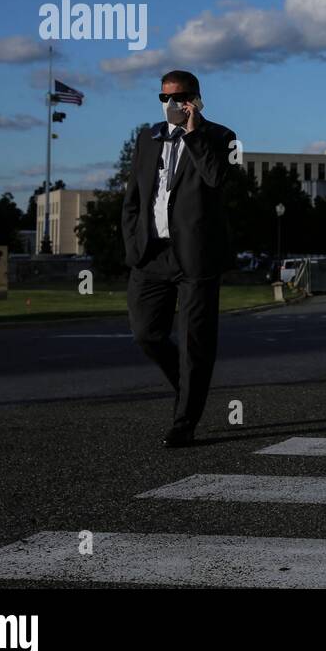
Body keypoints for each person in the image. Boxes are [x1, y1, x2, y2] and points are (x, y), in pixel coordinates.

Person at [121, 70, 237, 448]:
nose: (171, 104)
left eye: (180, 97)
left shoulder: (224, 137)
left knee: (194, 343)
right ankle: (186, 386)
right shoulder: (146, 137)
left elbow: (218, 180)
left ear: (196, 98)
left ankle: (184, 422)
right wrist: (132, 240)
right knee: (146, 333)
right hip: (152, 254)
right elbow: (134, 197)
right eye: (165, 97)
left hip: (196, 257)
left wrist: (193, 132)